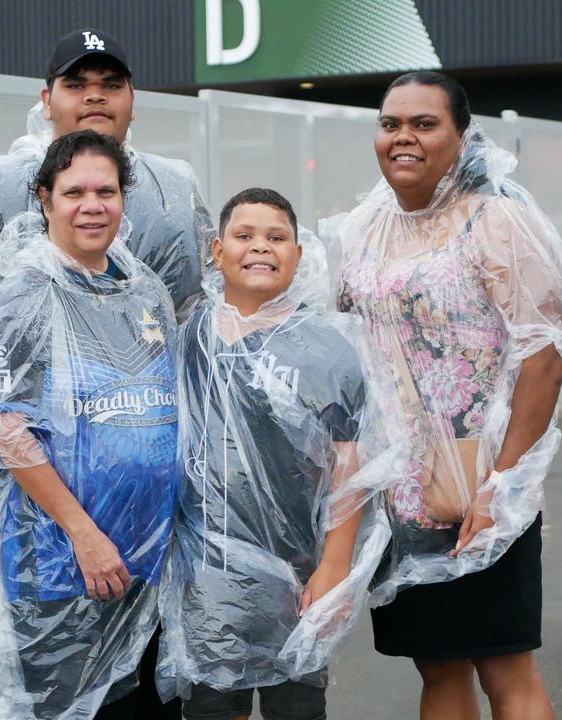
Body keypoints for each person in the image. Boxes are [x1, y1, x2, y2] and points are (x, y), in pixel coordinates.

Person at [332, 72, 562, 720]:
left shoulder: (499, 220)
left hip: (481, 485)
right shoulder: (365, 228)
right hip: (402, 495)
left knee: (505, 665)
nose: (403, 137)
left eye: (423, 123)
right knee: (437, 667)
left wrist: (504, 486)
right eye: (390, 124)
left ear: (461, 137)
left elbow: (544, 356)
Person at [0, 130, 178, 720]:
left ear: (123, 200)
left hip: (146, 561)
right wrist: (85, 536)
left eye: (105, 191)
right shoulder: (26, 297)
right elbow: (7, 430)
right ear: (45, 200)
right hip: (62, 562)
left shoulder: (146, 294)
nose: (92, 205)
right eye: (74, 192)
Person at [157, 188, 392, 720]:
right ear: (217, 252)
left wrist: (334, 567)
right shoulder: (189, 337)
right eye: (244, 236)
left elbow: (350, 467)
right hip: (206, 570)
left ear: (297, 254)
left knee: (297, 706)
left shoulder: (326, 347)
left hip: (298, 571)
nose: (260, 247)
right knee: (214, 706)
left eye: (276, 237)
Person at [0, 27, 212, 318]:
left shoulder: (175, 186)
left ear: (132, 99)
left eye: (111, 86)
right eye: (76, 85)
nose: (95, 96)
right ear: (47, 101)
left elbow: (203, 298)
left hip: (150, 360)